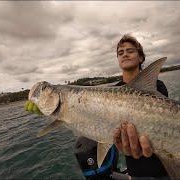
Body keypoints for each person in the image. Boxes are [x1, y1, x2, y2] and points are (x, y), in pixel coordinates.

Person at [25, 34, 170, 179]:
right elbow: (87, 122)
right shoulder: (115, 90)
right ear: (118, 60)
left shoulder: (157, 87)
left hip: (164, 163)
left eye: (130, 51)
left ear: (141, 57)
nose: (125, 54)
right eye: (120, 52)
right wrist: (51, 112)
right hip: (135, 170)